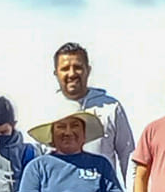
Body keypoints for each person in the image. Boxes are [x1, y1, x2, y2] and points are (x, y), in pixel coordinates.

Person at [50, 42, 135, 184]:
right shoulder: (48, 109)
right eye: (65, 69)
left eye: (77, 67)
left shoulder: (110, 107)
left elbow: (128, 154)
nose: (72, 74)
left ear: (88, 70)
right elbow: (38, 158)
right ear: (56, 73)